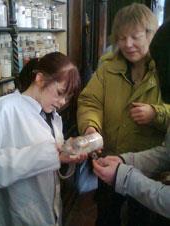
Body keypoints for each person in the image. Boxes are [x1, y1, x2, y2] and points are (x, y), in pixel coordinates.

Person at [77, 3, 170, 226]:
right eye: (121, 38)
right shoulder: (107, 68)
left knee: (141, 218)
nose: (127, 44)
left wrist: (155, 114)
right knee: (106, 216)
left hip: (148, 170)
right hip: (110, 159)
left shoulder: (165, 67)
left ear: (151, 34)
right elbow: (90, 101)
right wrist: (91, 127)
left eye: (135, 37)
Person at [0, 52, 87, 226]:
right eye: (59, 93)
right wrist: (51, 155)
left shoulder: (53, 116)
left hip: (48, 210)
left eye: (67, 97)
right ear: (40, 79)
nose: (62, 102)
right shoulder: (3, 109)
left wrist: (68, 157)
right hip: (17, 213)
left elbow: (50, 165)